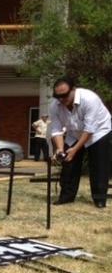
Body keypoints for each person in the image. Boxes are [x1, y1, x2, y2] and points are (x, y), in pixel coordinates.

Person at [49, 77, 111, 208]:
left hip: (99, 131)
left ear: (73, 90)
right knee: (68, 162)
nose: (61, 99)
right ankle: (66, 196)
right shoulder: (54, 105)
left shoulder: (89, 99)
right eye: (57, 96)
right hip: (74, 133)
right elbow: (56, 129)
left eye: (64, 95)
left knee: (98, 165)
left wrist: (75, 149)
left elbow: (89, 129)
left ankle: (99, 199)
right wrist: (60, 149)